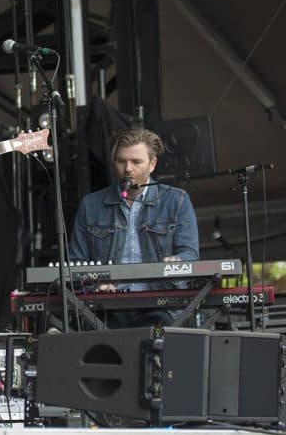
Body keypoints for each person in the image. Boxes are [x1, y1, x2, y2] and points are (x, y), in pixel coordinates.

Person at [70, 127, 199, 326]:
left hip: (162, 306)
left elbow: (190, 254)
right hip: (108, 308)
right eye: (121, 161)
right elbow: (76, 263)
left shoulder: (176, 200)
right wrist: (95, 284)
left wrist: (177, 260)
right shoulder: (91, 204)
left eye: (136, 162)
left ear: (152, 164)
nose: (128, 168)